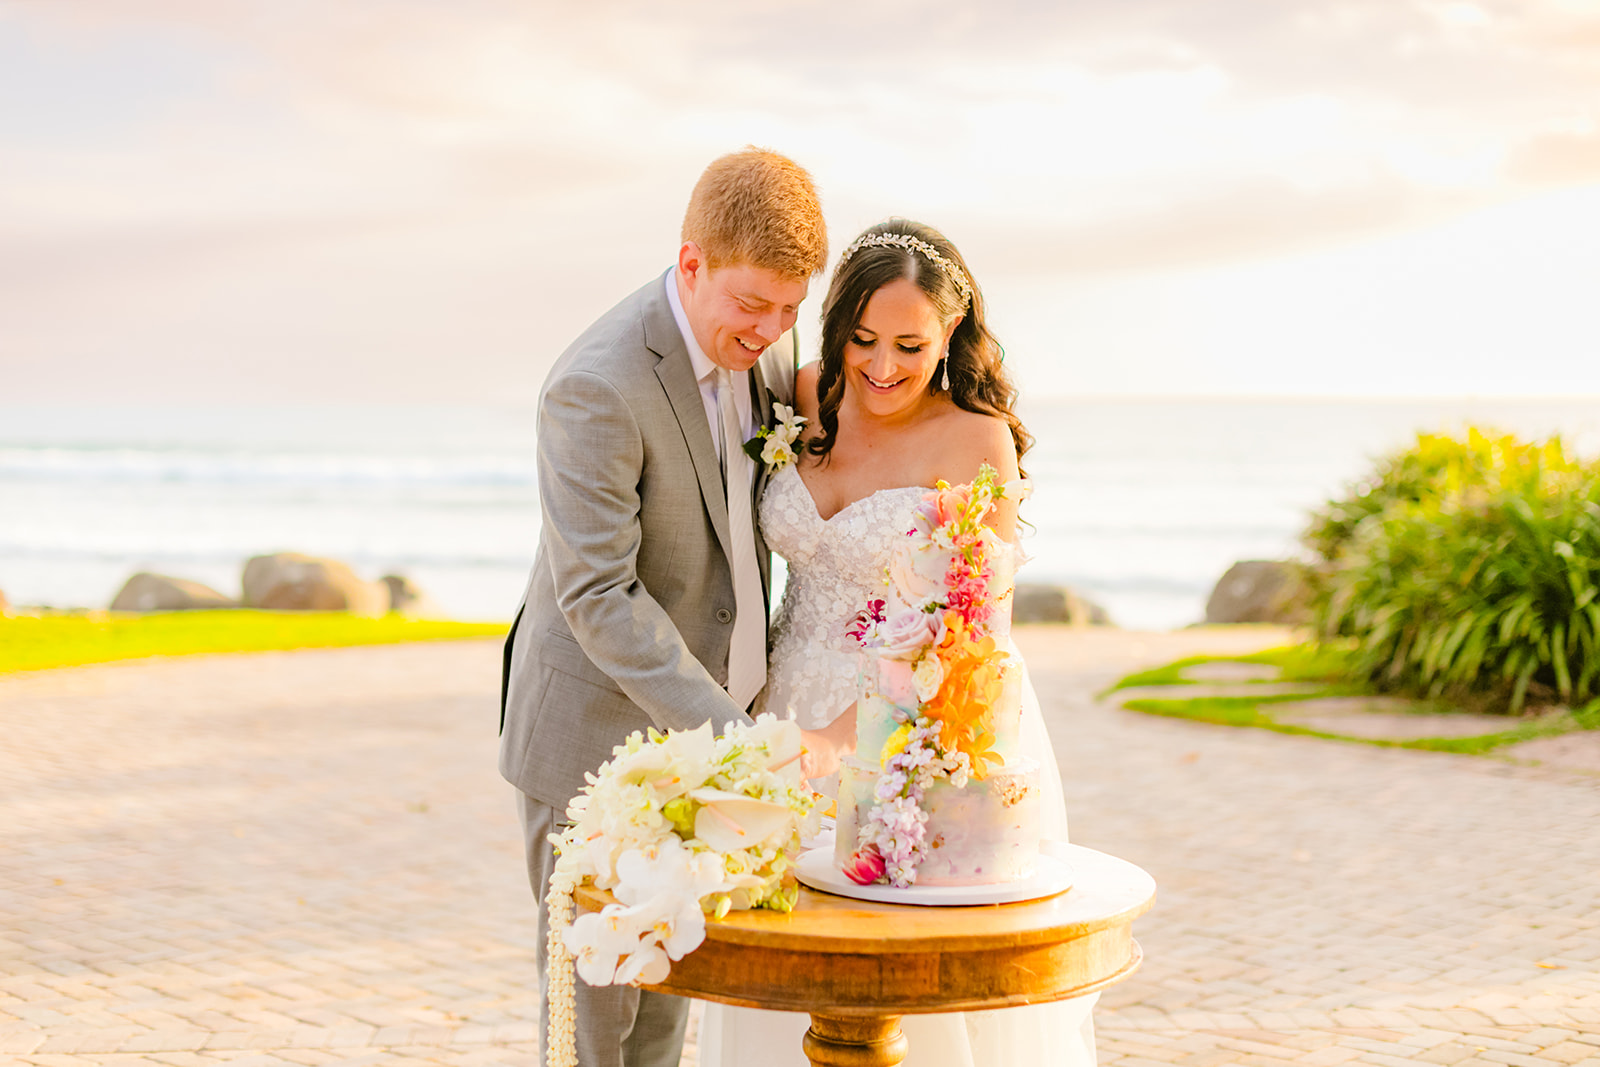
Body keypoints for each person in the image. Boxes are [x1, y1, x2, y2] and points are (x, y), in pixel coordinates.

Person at [698, 219, 1099, 1067]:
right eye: (863, 340)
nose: (881, 367)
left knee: (901, 993)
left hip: (912, 732)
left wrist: (850, 738)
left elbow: (976, 633)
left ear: (950, 332)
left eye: (909, 345)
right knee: (780, 969)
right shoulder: (806, 396)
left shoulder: (974, 439)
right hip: (783, 710)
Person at [498, 148, 828, 1067]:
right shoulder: (595, 385)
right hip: (591, 752)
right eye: (752, 305)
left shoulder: (769, 347)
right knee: (594, 1029)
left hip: (700, 750)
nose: (772, 329)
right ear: (691, 264)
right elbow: (599, 594)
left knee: (667, 1007)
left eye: (791, 306)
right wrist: (738, 739)